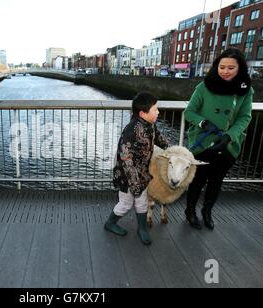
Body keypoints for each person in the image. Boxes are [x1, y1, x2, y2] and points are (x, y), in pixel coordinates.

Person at [184, 48, 253, 230]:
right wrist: (203, 123)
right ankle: (190, 211)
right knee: (198, 180)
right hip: (204, 143)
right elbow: (189, 112)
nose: (226, 71)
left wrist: (230, 136)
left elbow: (245, 117)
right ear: (216, 67)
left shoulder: (245, 89)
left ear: (240, 68)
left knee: (216, 181)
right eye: (222, 67)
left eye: (231, 67)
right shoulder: (204, 86)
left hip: (228, 144)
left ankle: (207, 211)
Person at [105, 92, 169, 245]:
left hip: (142, 173)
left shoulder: (150, 125)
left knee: (142, 202)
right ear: (142, 113)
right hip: (128, 177)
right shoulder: (131, 131)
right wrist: (134, 184)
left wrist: (168, 147)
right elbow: (125, 159)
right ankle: (110, 223)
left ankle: (142, 228)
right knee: (125, 204)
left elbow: (158, 137)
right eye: (155, 109)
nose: (158, 112)